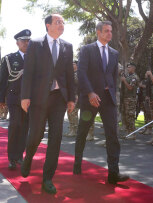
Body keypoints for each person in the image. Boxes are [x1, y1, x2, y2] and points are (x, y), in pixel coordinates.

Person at [20, 14, 75, 194]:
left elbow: (69, 75)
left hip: (58, 98)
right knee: (35, 135)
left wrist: (71, 98)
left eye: (63, 22)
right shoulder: (35, 44)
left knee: (56, 138)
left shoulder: (67, 46)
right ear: (48, 25)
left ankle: (47, 178)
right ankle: (28, 158)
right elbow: (28, 72)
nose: (62, 25)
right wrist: (25, 96)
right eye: (58, 22)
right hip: (38, 99)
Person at [73, 21, 129, 184]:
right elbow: (81, 73)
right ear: (98, 32)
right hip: (90, 99)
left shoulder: (114, 53)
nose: (109, 33)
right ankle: (77, 164)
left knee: (113, 135)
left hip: (108, 99)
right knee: (82, 132)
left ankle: (113, 173)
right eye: (106, 31)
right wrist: (90, 93)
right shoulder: (87, 49)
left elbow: (113, 76)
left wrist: (113, 93)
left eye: (111, 31)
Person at [0, 29, 31, 170]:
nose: (26, 43)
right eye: (23, 40)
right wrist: (1, 99)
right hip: (14, 97)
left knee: (25, 127)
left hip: (30, 99)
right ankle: (12, 157)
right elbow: (2, 80)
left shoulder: (34, 58)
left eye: (28, 40)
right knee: (15, 125)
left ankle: (19, 155)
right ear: (17, 43)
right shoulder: (9, 59)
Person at [64, 61, 95, 139]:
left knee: (86, 114)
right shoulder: (71, 73)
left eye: (73, 64)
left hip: (82, 95)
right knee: (71, 113)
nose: (71, 65)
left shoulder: (79, 73)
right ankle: (73, 130)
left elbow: (78, 82)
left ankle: (90, 133)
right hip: (73, 96)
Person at [120, 63, 139, 140]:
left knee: (130, 116)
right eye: (127, 67)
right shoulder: (128, 76)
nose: (128, 68)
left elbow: (130, 87)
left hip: (131, 99)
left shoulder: (134, 77)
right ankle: (129, 133)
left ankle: (132, 133)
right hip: (126, 98)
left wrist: (124, 81)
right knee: (126, 116)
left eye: (129, 67)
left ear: (133, 68)